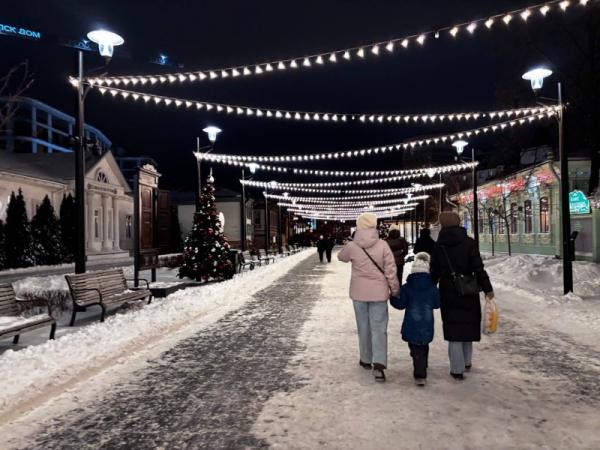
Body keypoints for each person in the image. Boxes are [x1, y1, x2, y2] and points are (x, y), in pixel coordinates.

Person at [430, 212, 494, 380]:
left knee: (453, 328)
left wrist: (430, 288)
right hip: (468, 288)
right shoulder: (469, 243)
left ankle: (456, 368)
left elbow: (434, 270)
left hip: (448, 290)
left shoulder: (439, 245)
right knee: (467, 325)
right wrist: (487, 289)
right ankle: (467, 361)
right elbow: (478, 268)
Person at [338, 213, 400, 382]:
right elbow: (390, 270)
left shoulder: (352, 245)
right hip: (379, 293)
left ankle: (366, 359)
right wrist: (395, 290)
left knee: (363, 327)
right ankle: (379, 364)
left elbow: (341, 257)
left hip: (359, 293)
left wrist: (350, 244)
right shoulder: (383, 245)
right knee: (379, 329)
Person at [391, 252, 440, 386]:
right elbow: (437, 304)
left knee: (415, 348)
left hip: (411, 323)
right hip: (427, 323)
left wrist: (392, 298)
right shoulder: (432, 288)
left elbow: (400, 305)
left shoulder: (407, 288)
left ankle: (420, 374)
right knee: (423, 344)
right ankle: (424, 363)